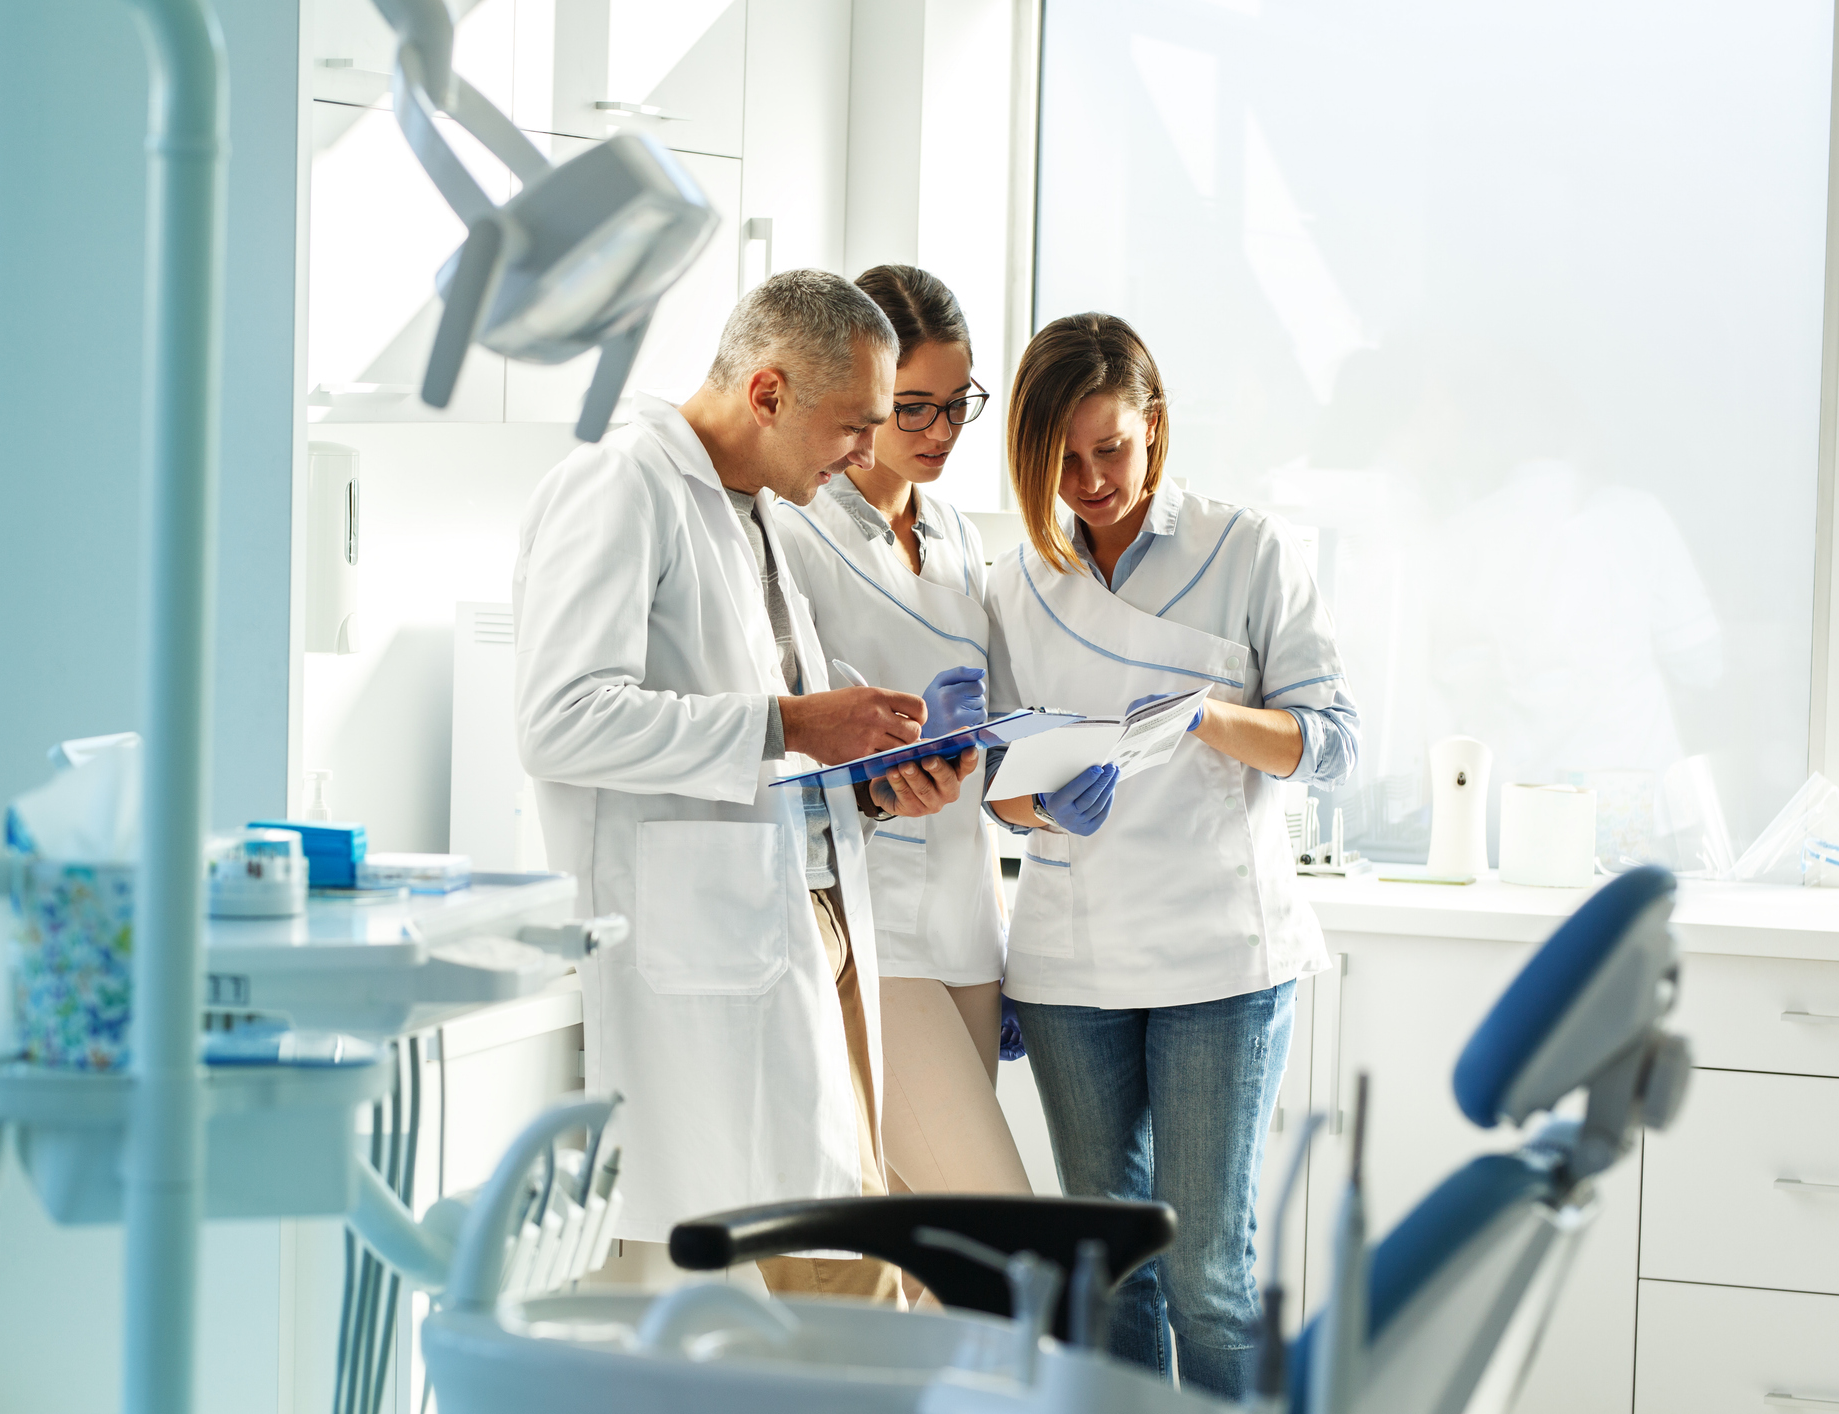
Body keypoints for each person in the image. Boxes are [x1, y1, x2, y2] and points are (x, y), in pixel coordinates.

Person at [513, 268, 982, 1304]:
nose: (870, 452)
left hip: (811, 921)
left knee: (849, 1255)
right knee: (845, 1286)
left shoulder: (752, 504)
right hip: (717, 936)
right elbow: (560, 719)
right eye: (854, 424)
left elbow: (770, 732)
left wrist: (869, 774)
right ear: (768, 392)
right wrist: (794, 724)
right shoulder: (620, 482)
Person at [983, 313, 1358, 1394]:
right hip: (1071, 959)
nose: (1092, 479)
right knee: (1109, 1275)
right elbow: (996, 792)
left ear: (1153, 426)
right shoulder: (1016, 585)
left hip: (1217, 958)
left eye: (1112, 448)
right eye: (1063, 456)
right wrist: (1039, 808)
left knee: (1208, 1275)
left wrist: (1205, 719)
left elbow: (1331, 743)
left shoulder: (1248, 551)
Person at [766, 265, 1032, 1228]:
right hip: (869, 923)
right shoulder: (792, 530)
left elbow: (990, 747)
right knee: (1001, 1237)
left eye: (957, 406)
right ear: (864, 397)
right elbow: (776, 746)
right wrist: (885, 745)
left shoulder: (960, 536)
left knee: (928, 1266)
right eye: (912, 408)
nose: (938, 434)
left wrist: (1029, 772)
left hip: (966, 920)